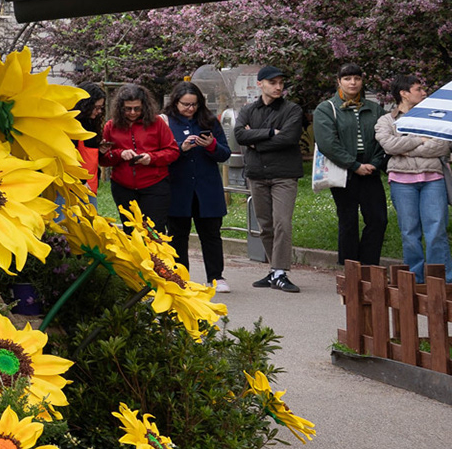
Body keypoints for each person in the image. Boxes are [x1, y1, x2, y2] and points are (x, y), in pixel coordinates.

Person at [233, 65, 304, 293]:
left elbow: (289, 138)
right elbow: (239, 135)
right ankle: (274, 270)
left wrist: (255, 142)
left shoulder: (292, 110)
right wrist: (271, 133)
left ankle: (280, 272)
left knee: (282, 223)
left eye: (281, 83)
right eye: (273, 83)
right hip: (257, 174)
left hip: (284, 174)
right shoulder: (248, 110)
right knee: (265, 226)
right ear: (260, 84)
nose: (278, 87)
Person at [378, 72, 451, 280]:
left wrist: (405, 149)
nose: (424, 93)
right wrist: (421, 140)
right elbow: (389, 145)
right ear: (404, 93)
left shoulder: (435, 117)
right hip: (401, 181)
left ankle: (442, 279)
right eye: (418, 89)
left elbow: (442, 146)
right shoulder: (387, 120)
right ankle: (415, 280)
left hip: (433, 179)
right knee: (409, 233)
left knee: (436, 231)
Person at [314, 62, 388, 268]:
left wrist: (375, 163)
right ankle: (350, 268)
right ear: (339, 81)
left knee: (378, 219)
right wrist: (354, 165)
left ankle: (368, 266)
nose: (352, 82)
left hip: (370, 169)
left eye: (357, 78)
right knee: (348, 221)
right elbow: (327, 143)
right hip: (343, 170)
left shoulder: (374, 109)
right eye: (347, 79)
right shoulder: (326, 109)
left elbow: (385, 139)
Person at [164, 82, 232, 291]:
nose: (190, 109)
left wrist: (211, 145)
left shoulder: (209, 121)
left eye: (194, 104)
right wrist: (181, 148)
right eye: (185, 104)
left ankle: (216, 277)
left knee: (211, 233)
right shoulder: (165, 122)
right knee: (177, 234)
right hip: (178, 186)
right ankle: (180, 276)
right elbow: (161, 154)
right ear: (175, 102)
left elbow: (225, 153)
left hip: (207, 187)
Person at [101, 83, 178, 225]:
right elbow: (103, 160)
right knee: (131, 230)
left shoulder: (157, 123)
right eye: (127, 109)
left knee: (154, 230)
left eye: (137, 108)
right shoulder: (111, 126)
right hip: (122, 187)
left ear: (144, 106)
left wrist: (151, 158)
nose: (132, 112)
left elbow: (173, 151)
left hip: (155, 185)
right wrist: (119, 154)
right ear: (120, 108)